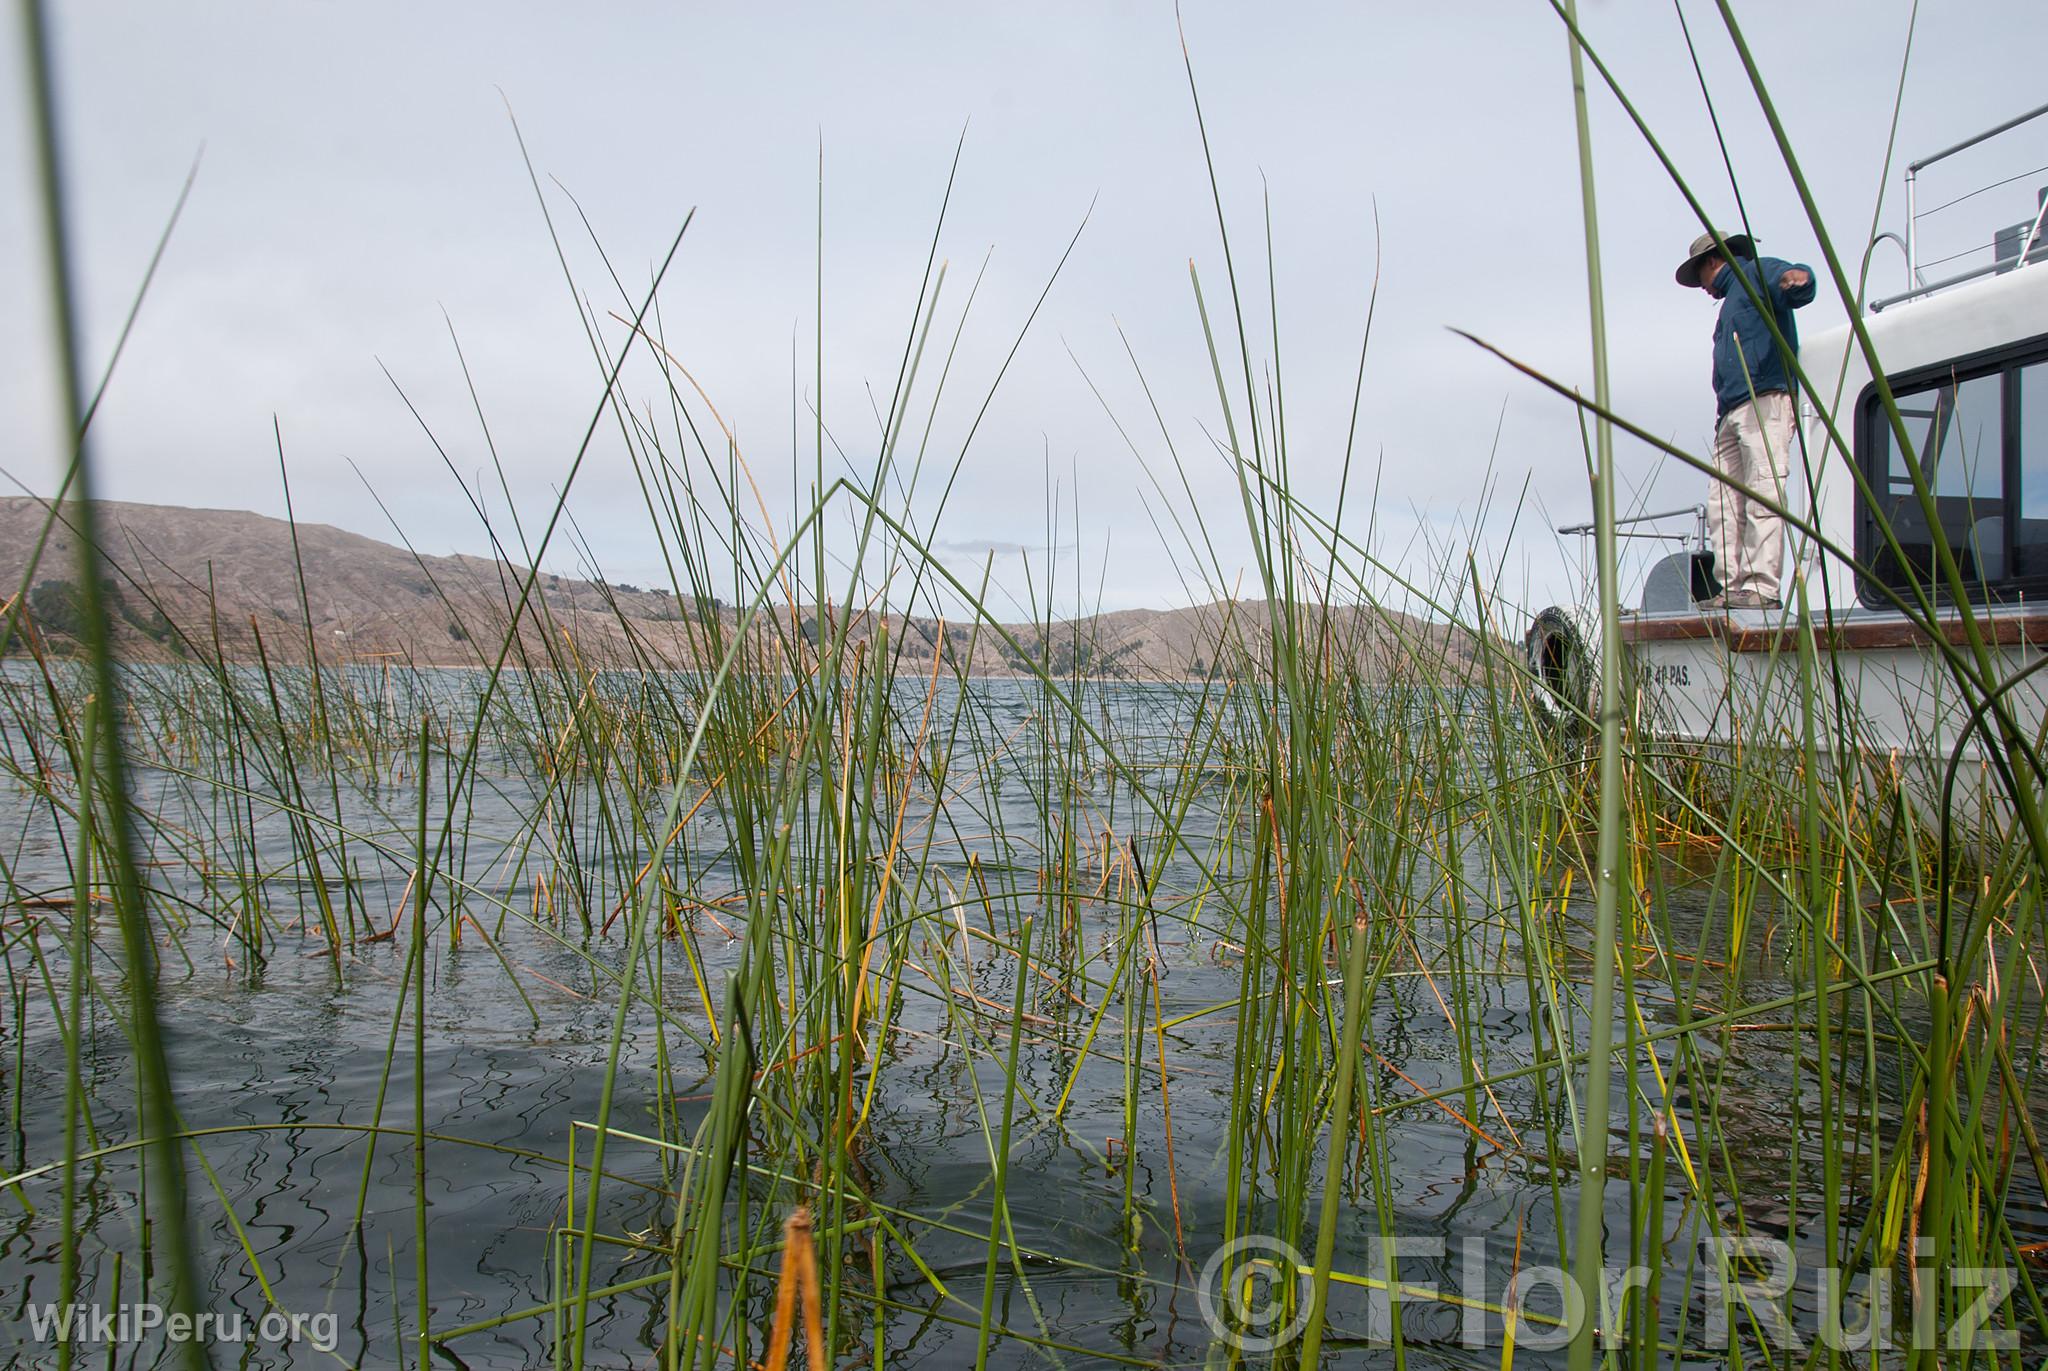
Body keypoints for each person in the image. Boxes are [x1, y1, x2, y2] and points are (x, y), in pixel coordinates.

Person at [1675, 230, 1815, 609]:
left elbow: (1794, 282)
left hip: (1764, 398)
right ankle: (1731, 585)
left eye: (1698, 275)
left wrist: (1798, 279)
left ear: (1712, 261)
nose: (1701, 286)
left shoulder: (1754, 274)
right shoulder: (1729, 307)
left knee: (1762, 489)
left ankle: (1760, 586)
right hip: (1732, 410)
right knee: (1723, 501)